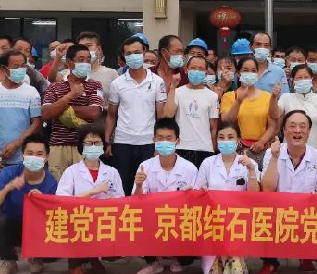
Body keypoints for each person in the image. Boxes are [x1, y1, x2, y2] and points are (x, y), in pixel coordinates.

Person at [0, 49, 42, 267]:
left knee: (28, 204)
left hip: (24, 160)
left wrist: (17, 144)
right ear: (3, 69)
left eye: (23, 65)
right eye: (15, 66)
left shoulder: (31, 92)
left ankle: (31, 248)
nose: (20, 70)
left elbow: (36, 123)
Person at [255, 110, 317, 274]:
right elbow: (267, 188)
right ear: (284, 130)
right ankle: (270, 262)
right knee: (262, 216)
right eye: (292, 126)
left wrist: (315, 199)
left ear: (309, 132)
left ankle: (306, 255)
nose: (297, 130)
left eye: (302, 127)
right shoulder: (272, 152)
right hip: (277, 212)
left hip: (307, 212)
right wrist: (275, 158)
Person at [56, 126, 126, 274]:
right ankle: (75, 267)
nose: (93, 146)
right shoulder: (71, 171)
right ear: (81, 146)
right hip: (79, 220)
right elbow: (62, 200)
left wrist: (112, 200)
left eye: (97, 143)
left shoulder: (112, 172)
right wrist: (92, 192)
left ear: (103, 145)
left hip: (104, 220)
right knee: (78, 225)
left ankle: (94, 256)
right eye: (89, 143)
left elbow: (121, 199)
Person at [195, 121, 260, 274]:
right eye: (221, 137)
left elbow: (254, 195)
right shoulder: (208, 163)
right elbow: (198, 192)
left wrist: (251, 171)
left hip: (238, 221)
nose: (226, 141)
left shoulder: (248, 163)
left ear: (238, 140)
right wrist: (202, 191)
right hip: (213, 222)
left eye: (230, 137)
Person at [134, 118, 200, 274]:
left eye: (169, 138)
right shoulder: (145, 166)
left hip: (179, 219)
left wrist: (191, 195)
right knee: (136, 220)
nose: (164, 142)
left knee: (187, 254)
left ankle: (176, 257)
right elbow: (136, 203)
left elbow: (197, 202)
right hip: (153, 219)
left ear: (177, 141)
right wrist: (139, 185)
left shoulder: (189, 169)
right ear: (154, 140)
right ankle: (153, 261)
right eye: (160, 138)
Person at [0, 134, 57, 274]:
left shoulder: (51, 182)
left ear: (46, 157)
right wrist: (8, 188)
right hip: (12, 226)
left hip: (37, 229)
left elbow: (54, 217)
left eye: (39, 154)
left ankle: (35, 255)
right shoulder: (8, 173)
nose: (34, 157)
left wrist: (43, 200)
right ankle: (9, 261)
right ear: (22, 155)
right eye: (29, 153)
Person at [106, 35, 169, 194]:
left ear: (144, 52)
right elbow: (111, 115)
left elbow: (161, 116)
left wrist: (159, 143)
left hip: (148, 142)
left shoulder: (157, 82)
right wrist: (108, 141)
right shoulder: (117, 83)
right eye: (128, 53)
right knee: (124, 186)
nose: (133, 56)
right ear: (123, 56)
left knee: (147, 185)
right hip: (123, 142)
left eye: (137, 52)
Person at [41, 44, 105, 180]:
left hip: (84, 145)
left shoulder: (95, 85)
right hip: (58, 145)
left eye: (88, 60)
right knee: (58, 186)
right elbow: (46, 114)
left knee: (85, 185)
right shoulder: (54, 86)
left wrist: (60, 108)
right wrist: (71, 96)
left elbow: (94, 113)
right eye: (81, 60)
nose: (86, 63)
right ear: (69, 63)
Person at [220, 56, 280, 167]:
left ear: (257, 74)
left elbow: (272, 125)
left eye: (253, 71)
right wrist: (238, 101)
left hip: (261, 149)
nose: (250, 73)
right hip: (235, 149)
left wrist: (261, 142)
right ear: (238, 73)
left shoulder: (267, 97)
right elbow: (226, 120)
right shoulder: (229, 96)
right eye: (245, 70)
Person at [166, 54, 219, 169]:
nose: (196, 71)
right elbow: (168, 114)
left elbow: (213, 127)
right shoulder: (178, 92)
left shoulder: (212, 96)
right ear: (186, 70)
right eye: (193, 68)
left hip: (205, 148)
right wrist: (172, 88)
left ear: (206, 72)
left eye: (201, 69)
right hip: (181, 147)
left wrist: (213, 147)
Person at [272, 63, 317, 161]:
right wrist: (274, 97)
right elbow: (275, 114)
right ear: (293, 81)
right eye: (299, 78)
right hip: (289, 152)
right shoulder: (285, 98)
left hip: (316, 151)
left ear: (311, 79)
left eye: (306, 77)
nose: (303, 80)